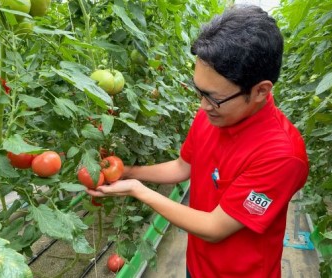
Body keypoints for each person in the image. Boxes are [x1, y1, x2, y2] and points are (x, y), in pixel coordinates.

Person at [86, 4, 309, 278]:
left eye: (212, 97)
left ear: (261, 90)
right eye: (199, 91)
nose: (203, 105)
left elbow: (215, 228)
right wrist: (128, 173)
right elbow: (183, 167)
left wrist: (138, 190)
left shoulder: (282, 155)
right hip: (197, 263)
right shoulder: (213, 114)